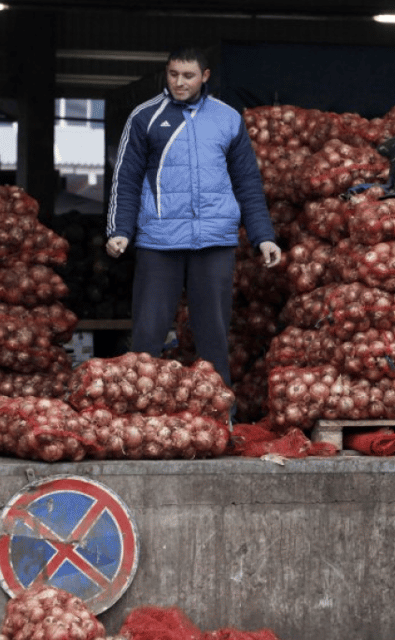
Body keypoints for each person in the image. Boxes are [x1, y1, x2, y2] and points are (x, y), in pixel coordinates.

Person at [105, 47, 281, 388]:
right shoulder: (145, 117)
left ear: (205, 76)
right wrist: (120, 229)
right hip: (159, 239)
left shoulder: (228, 118)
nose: (179, 82)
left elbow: (247, 181)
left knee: (213, 334)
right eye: (173, 75)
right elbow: (125, 177)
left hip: (214, 240)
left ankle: (219, 414)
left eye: (188, 76)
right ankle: (139, 410)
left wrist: (263, 236)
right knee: (148, 333)